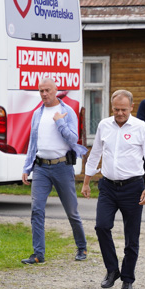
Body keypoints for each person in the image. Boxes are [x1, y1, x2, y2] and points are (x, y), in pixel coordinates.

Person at [81, 89, 145, 289]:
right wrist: (86, 181)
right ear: (111, 107)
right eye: (116, 109)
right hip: (107, 186)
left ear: (131, 107)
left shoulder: (141, 128)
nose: (119, 113)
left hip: (133, 187)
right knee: (101, 226)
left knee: (131, 237)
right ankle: (112, 269)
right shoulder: (104, 125)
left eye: (123, 109)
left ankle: (127, 279)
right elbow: (95, 152)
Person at [20, 77, 88, 265]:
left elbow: (73, 140)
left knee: (71, 211)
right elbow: (33, 143)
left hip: (62, 166)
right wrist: (27, 167)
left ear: (56, 90)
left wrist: (60, 123)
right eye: (41, 90)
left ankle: (81, 247)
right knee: (37, 211)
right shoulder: (37, 114)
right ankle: (38, 254)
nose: (44, 94)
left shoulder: (66, 112)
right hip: (41, 167)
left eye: (47, 90)